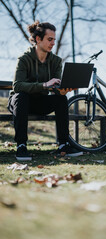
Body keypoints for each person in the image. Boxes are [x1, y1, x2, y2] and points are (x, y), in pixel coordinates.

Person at [8, 20, 83, 161]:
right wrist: (44, 85)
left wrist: (62, 90)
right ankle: (21, 146)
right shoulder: (24, 59)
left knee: (61, 99)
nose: (53, 43)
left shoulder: (55, 61)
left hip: (40, 102)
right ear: (38, 39)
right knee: (21, 96)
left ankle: (63, 145)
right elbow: (17, 86)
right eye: (49, 39)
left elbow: (55, 89)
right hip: (20, 103)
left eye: (54, 39)